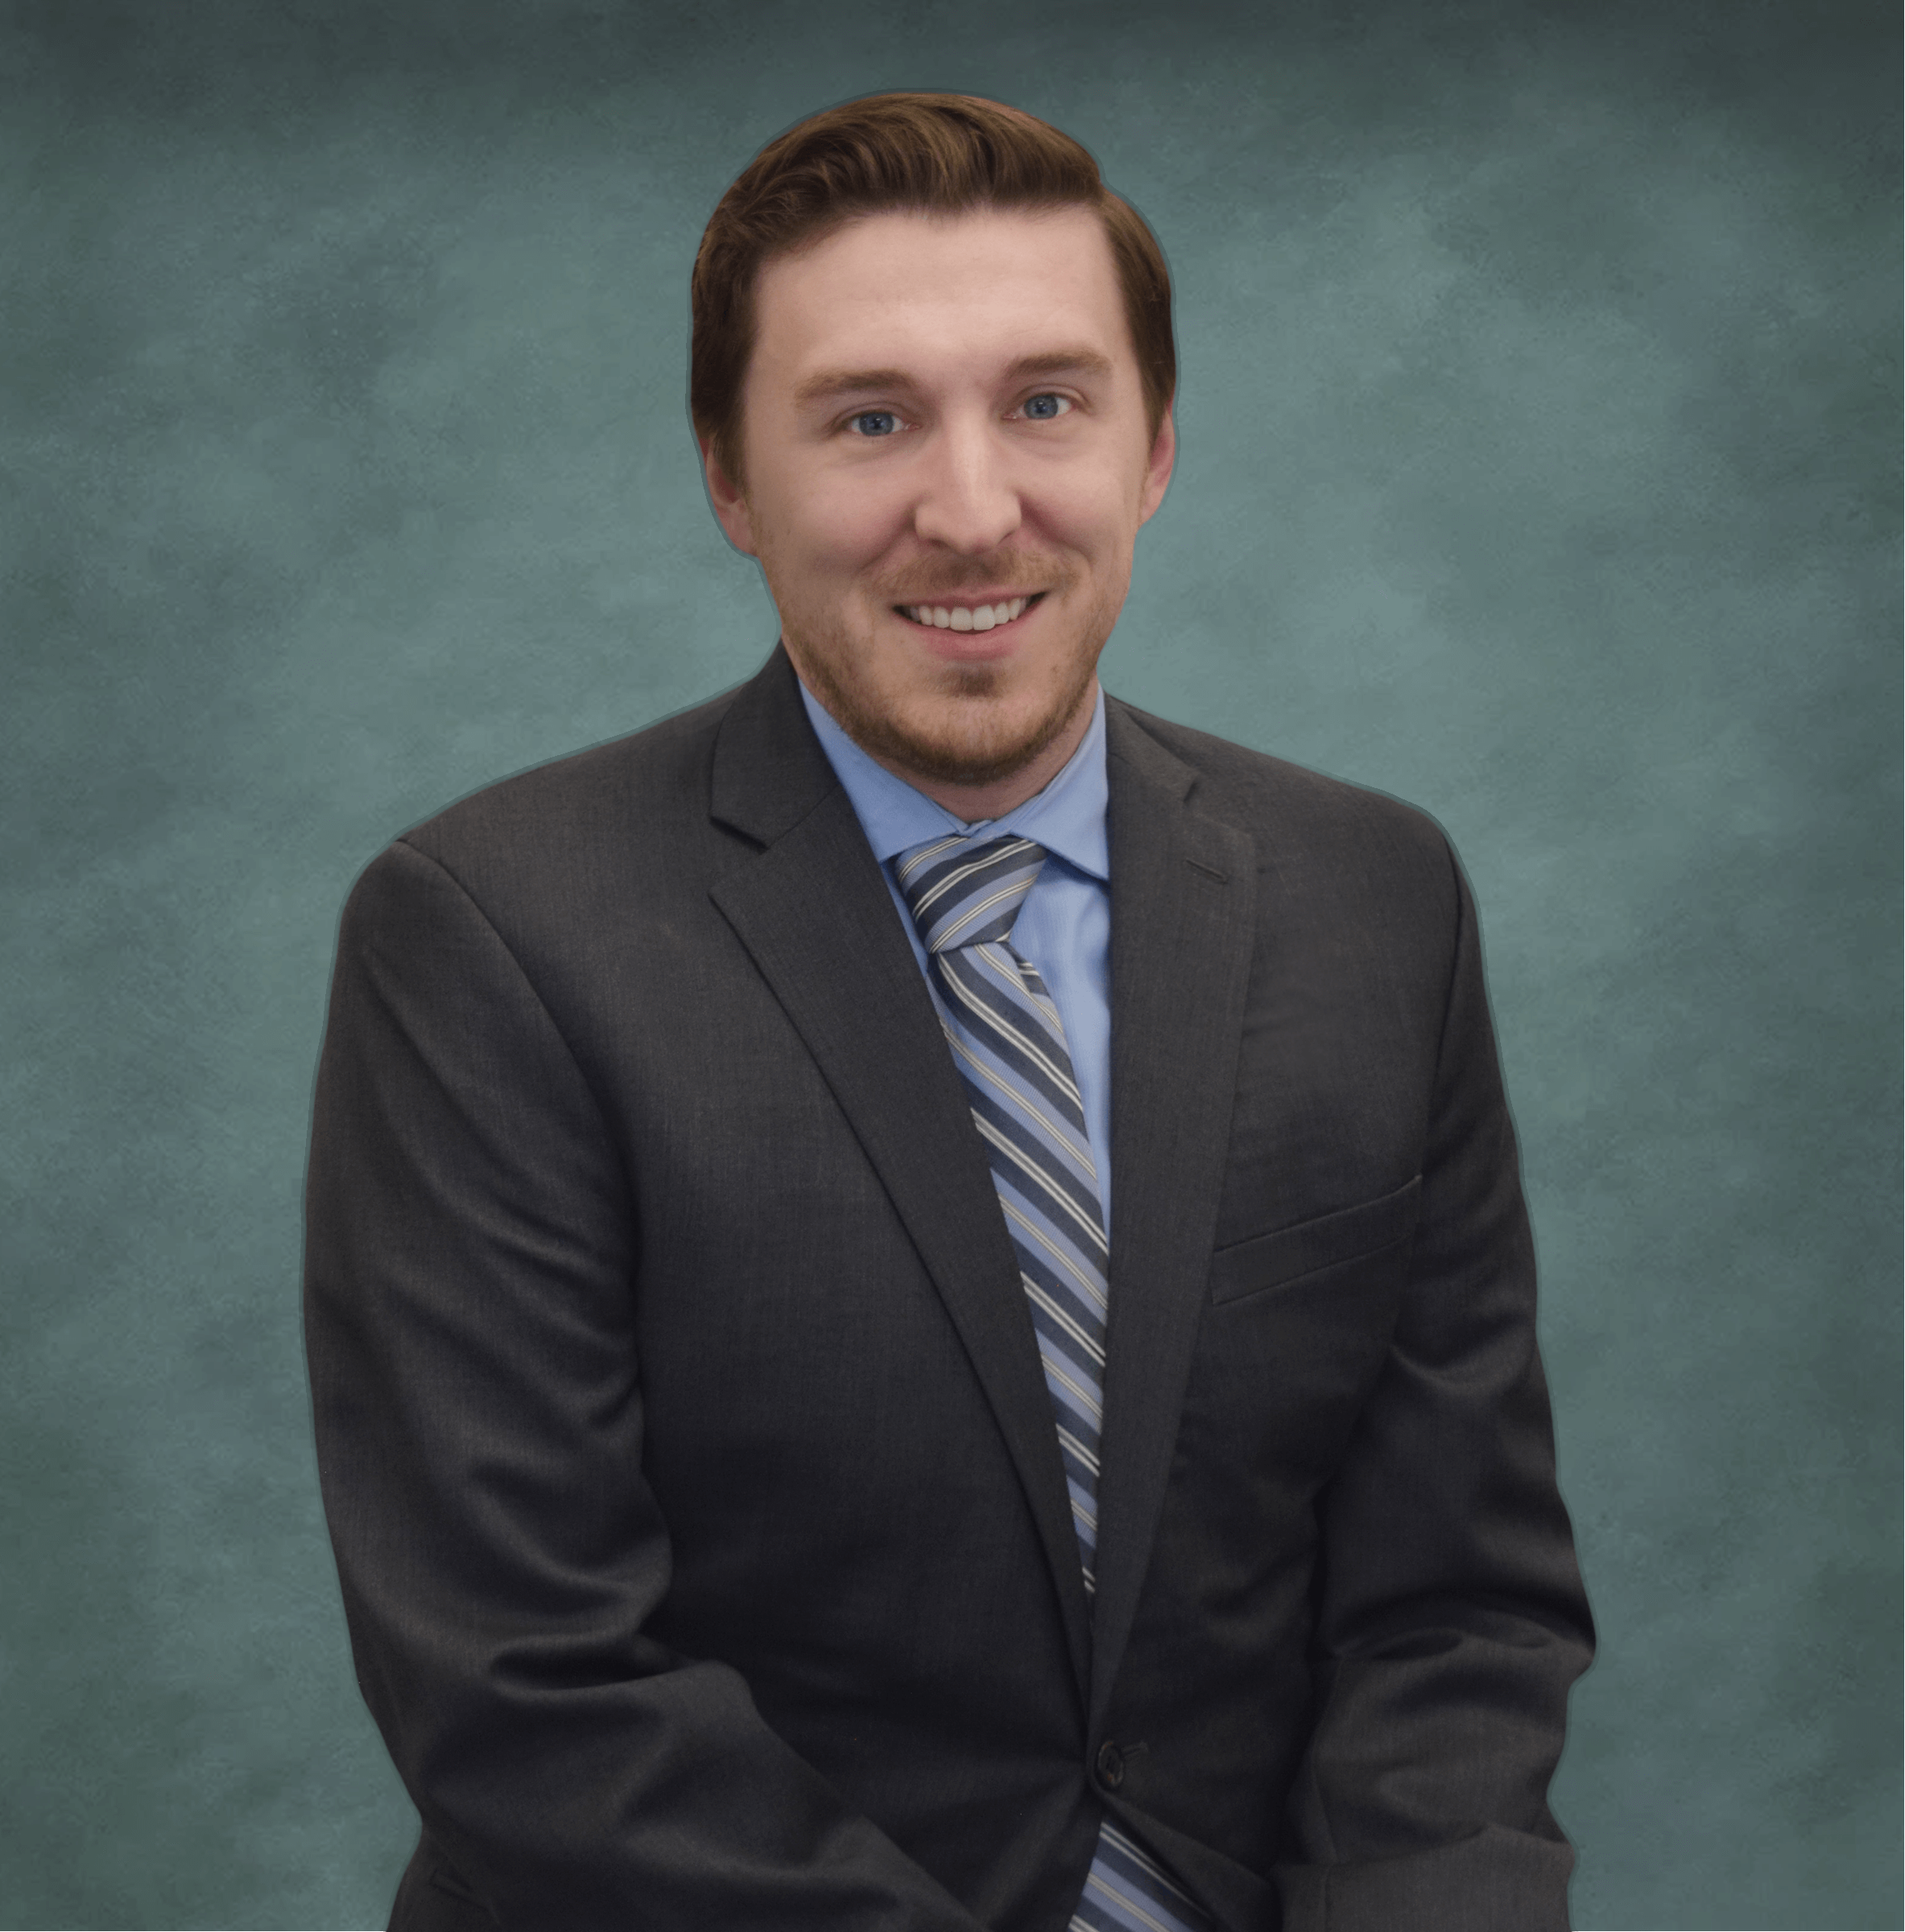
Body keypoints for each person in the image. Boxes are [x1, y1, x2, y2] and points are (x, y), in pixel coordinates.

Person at [303, 91, 1594, 1932]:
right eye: (871, 419)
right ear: (729, 478)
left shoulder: (1375, 899)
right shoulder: (492, 937)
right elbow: (528, 1685)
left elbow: (1454, 1613)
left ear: (1154, 451)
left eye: (1048, 402)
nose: (972, 510)